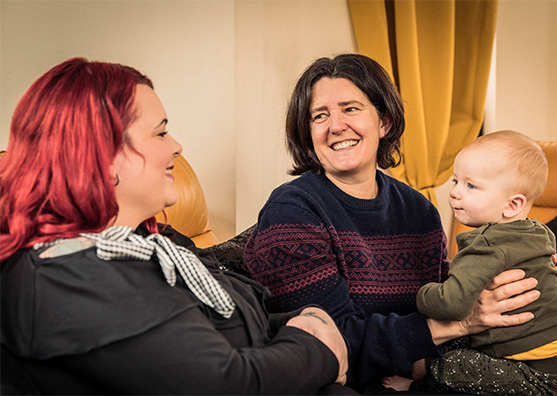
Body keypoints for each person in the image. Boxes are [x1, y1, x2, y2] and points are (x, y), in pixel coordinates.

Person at [0, 57, 351, 395]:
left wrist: (306, 321)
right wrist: (316, 348)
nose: (177, 147)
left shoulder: (154, 242)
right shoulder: (64, 276)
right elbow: (224, 385)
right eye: (160, 133)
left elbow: (226, 326)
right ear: (101, 158)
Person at [243, 54, 557, 391]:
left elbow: (444, 289)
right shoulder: (292, 211)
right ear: (307, 133)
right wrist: (462, 321)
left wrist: (515, 278)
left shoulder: (419, 210)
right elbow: (334, 343)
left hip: (421, 373)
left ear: (384, 122)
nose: (336, 125)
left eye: (350, 108)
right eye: (319, 115)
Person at [382, 130, 557, 395]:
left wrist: (422, 293)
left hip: (536, 371)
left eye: (471, 186)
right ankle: (422, 364)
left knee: (454, 366)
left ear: (512, 205)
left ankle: (417, 385)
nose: (454, 193)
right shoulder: (538, 230)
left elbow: (451, 304)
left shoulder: (485, 244)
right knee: (459, 340)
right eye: (456, 181)